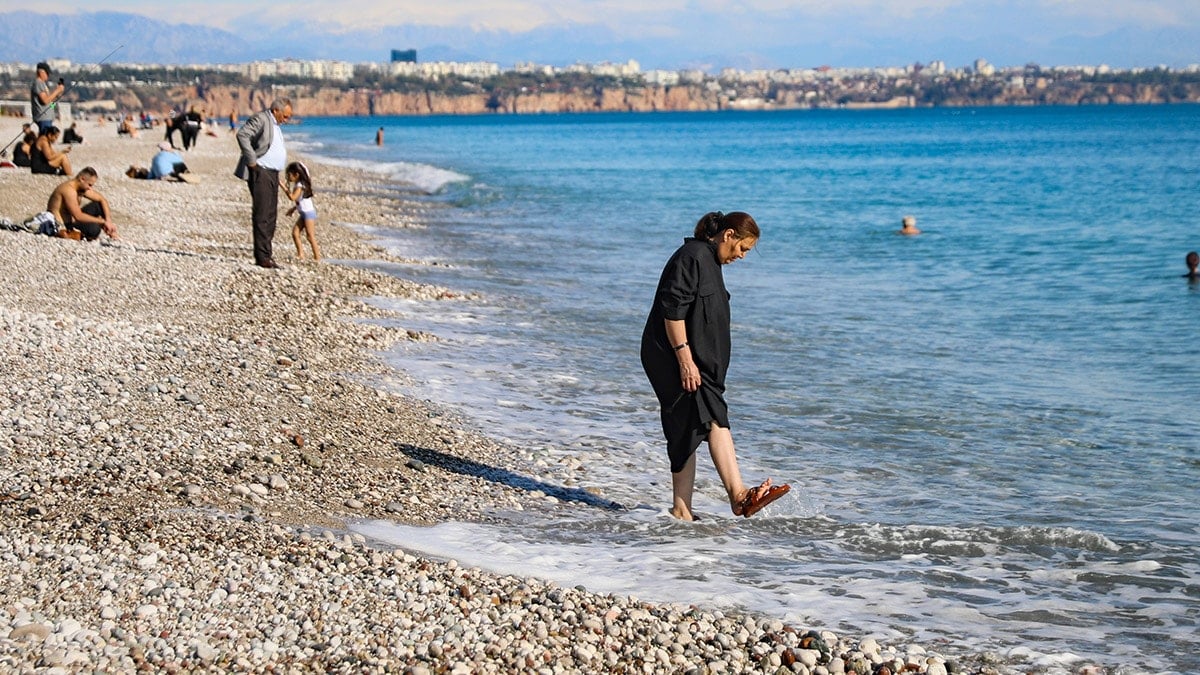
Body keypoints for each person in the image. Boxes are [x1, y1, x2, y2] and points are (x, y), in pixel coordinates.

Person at [641, 211, 791, 521]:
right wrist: (685, 360)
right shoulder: (692, 255)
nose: (742, 256)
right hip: (674, 357)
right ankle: (738, 496)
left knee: (688, 425)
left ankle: (682, 509)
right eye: (742, 248)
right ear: (728, 235)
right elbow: (673, 311)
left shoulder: (710, 261)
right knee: (711, 418)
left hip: (698, 363)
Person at [234, 97, 293, 268]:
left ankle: (267, 254)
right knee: (262, 215)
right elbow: (242, 135)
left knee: (271, 215)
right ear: (276, 110)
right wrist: (252, 161)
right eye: (285, 116)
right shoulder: (261, 118)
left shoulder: (275, 124)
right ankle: (262, 257)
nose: (287, 120)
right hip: (261, 171)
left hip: (272, 173)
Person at [46, 167, 117, 240]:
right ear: (82, 179)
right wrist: (102, 221)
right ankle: (72, 234)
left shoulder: (80, 188)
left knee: (98, 205)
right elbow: (78, 216)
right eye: (89, 185)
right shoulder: (69, 190)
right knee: (94, 229)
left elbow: (102, 200)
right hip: (63, 224)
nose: (90, 188)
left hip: (74, 219)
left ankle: (112, 233)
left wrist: (108, 220)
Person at [282, 161, 321, 261]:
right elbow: (300, 201)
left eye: (289, 175)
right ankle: (300, 254)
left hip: (308, 214)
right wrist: (293, 209)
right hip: (303, 213)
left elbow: (293, 197)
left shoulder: (300, 186)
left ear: (296, 175)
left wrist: (283, 187)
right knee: (295, 233)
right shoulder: (298, 184)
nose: (288, 177)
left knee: (310, 236)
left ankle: (317, 257)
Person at [30, 62, 64, 134]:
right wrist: (57, 90)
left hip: (47, 118)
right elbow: (45, 101)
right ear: (41, 72)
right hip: (43, 118)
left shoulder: (42, 84)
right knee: (44, 138)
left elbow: (50, 103)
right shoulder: (38, 83)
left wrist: (57, 95)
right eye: (47, 73)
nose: (48, 75)